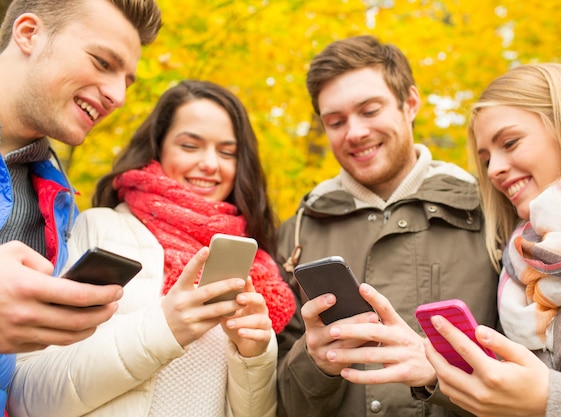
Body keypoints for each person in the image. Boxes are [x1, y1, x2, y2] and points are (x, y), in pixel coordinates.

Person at [8, 80, 296, 417]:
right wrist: (164, 328)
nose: (210, 164)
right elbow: (30, 396)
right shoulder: (101, 228)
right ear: (158, 149)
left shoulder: (254, 262)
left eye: (227, 152)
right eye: (190, 146)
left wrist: (254, 357)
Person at [275, 35, 498, 417]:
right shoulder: (296, 232)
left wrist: (438, 378)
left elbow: (538, 377)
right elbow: (281, 401)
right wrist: (316, 364)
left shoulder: (492, 214)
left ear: (410, 104)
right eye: (336, 121)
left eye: (369, 110)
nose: (355, 132)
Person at [420, 63, 561, 417]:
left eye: (509, 143)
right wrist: (434, 369)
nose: (493, 170)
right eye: (485, 159)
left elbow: (545, 395)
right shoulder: (518, 266)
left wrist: (552, 399)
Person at [0, 0, 161, 413]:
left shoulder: (59, 205)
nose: (119, 96)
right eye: (102, 62)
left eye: (128, 80)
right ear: (29, 33)